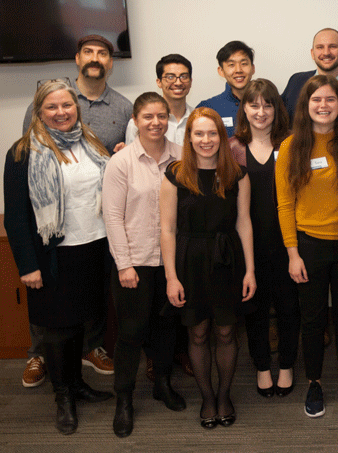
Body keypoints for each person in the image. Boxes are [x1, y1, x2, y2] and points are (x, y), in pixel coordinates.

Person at [20, 35, 133, 384]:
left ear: (110, 62)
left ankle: (93, 348)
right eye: (89, 52)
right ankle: (39, 355)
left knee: (91, 295)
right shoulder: (41, 123)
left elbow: (123, 159)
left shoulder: (121, 109)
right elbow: (29, 180)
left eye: (103, 53)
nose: (61, 112)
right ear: (77, 58)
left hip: (95, 227)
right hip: (53, 233)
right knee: (52, 306)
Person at [5, 80, 114, 434]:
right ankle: (63, 395)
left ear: (76, 107)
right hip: (52, 255)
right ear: (39, 112)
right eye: (51, 107)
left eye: (66, 105)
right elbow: (18, 216)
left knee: (82, 322)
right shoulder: (23, 152)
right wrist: (27, 265)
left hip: (94, 246)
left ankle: (79, 385)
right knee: (57, 329)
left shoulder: (92, 142)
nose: (61, 112)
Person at [160, 107, 256, 429]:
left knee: (227, 331)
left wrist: (250, 270)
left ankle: (225, 395)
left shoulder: (238, 175)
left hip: (228, 258)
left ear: (222, 137)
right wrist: (171, 278)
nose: (205, 140)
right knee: (198, 332)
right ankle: (207, 397)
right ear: (188, 137)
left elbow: (244, 223)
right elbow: (167, 229)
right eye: (198, 133)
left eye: (212, 133)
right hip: (190, 261)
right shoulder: (175, 174)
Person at [275, 75, 338, 419]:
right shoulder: (291, 146)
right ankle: (314, 382)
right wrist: (293, 253)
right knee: (311, 320)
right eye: (316, 100)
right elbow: (285, 204)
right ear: (305, 105)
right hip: (309, 246)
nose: (323, 105)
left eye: (330, 99)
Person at [103, 92, 187, 437]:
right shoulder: (121, 163)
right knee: (131, 333)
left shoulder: (181, 158)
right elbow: (111, 216)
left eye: (162, 116)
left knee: (166, 328)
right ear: (135, 120)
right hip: (134, 262)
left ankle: (162, 384)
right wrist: (124, 265)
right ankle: (123, 399)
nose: (156, 122)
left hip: (170, 263)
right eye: (148, 116)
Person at [228, 79, 300, 399]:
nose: (261, 112)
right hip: (248, 244)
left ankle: (286, 365)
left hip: (288, 243)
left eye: (267, 105)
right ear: (244, 108)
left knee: (289, 307)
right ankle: (261, 366)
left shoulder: (292, 144)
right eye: (254, 105)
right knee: (254, 308)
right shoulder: (232, 148)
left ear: (276, 109)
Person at [281, 28, 338, 120]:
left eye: (333, 46)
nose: (326, 53)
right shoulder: (296, 81)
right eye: (320, 47)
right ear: (312, 53)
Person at [125, 54, 194, 146]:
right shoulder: (139, 123)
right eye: (170, 77)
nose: (178, 83)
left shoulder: (198, 118)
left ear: (190, 81)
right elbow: (131, 157)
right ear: (159, 82)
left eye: (183, 77)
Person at [197, 41, 256, 136]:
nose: (238, 70)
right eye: (231, 65)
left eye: (244, 64)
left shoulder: (268, 105)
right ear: (221, 71)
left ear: (253, 68)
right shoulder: (208, 108)